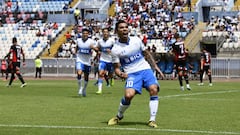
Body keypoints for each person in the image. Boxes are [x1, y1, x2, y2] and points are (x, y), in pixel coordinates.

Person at [107, 20, 164, 128]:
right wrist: (120, 74)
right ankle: (118, 116)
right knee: (128, 95)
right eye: (121, 27)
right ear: (116, 31)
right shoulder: (115, 49)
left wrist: (155, 66)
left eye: (126, 27)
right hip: (132, 73)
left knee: (154, 89)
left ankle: (152, 120)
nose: (124, 29)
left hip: (145, 69)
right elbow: (116, 68)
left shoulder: (136, 40)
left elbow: (146, 53)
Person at [76, 28, 96, 97]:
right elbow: (77, 48)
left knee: (86, 76)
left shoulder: (91, 42)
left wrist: (93, 47)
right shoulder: (78, 40)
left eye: (86, 33)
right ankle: (80, 88)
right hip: (80, 59)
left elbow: (97, 50)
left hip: (87, 61)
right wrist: (75, 52)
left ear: (88, 34)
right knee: (79, 73)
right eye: (84, 33)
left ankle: (84, 89)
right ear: (82, 34)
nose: (85, 34)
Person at [94, 28, 115, 94]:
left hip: (110, 60)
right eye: (104, 32)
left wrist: (111, 51)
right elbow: (97, 48)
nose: (105, 33)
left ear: (108, 33)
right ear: (102, 33)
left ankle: (111, 78)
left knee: (110, 74)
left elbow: (117, 49)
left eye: (106, 32)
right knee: (100, 74)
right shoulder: (99, 41)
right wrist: (97, 50)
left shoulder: (112, 41)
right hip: (102, 60)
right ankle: (99, 90)